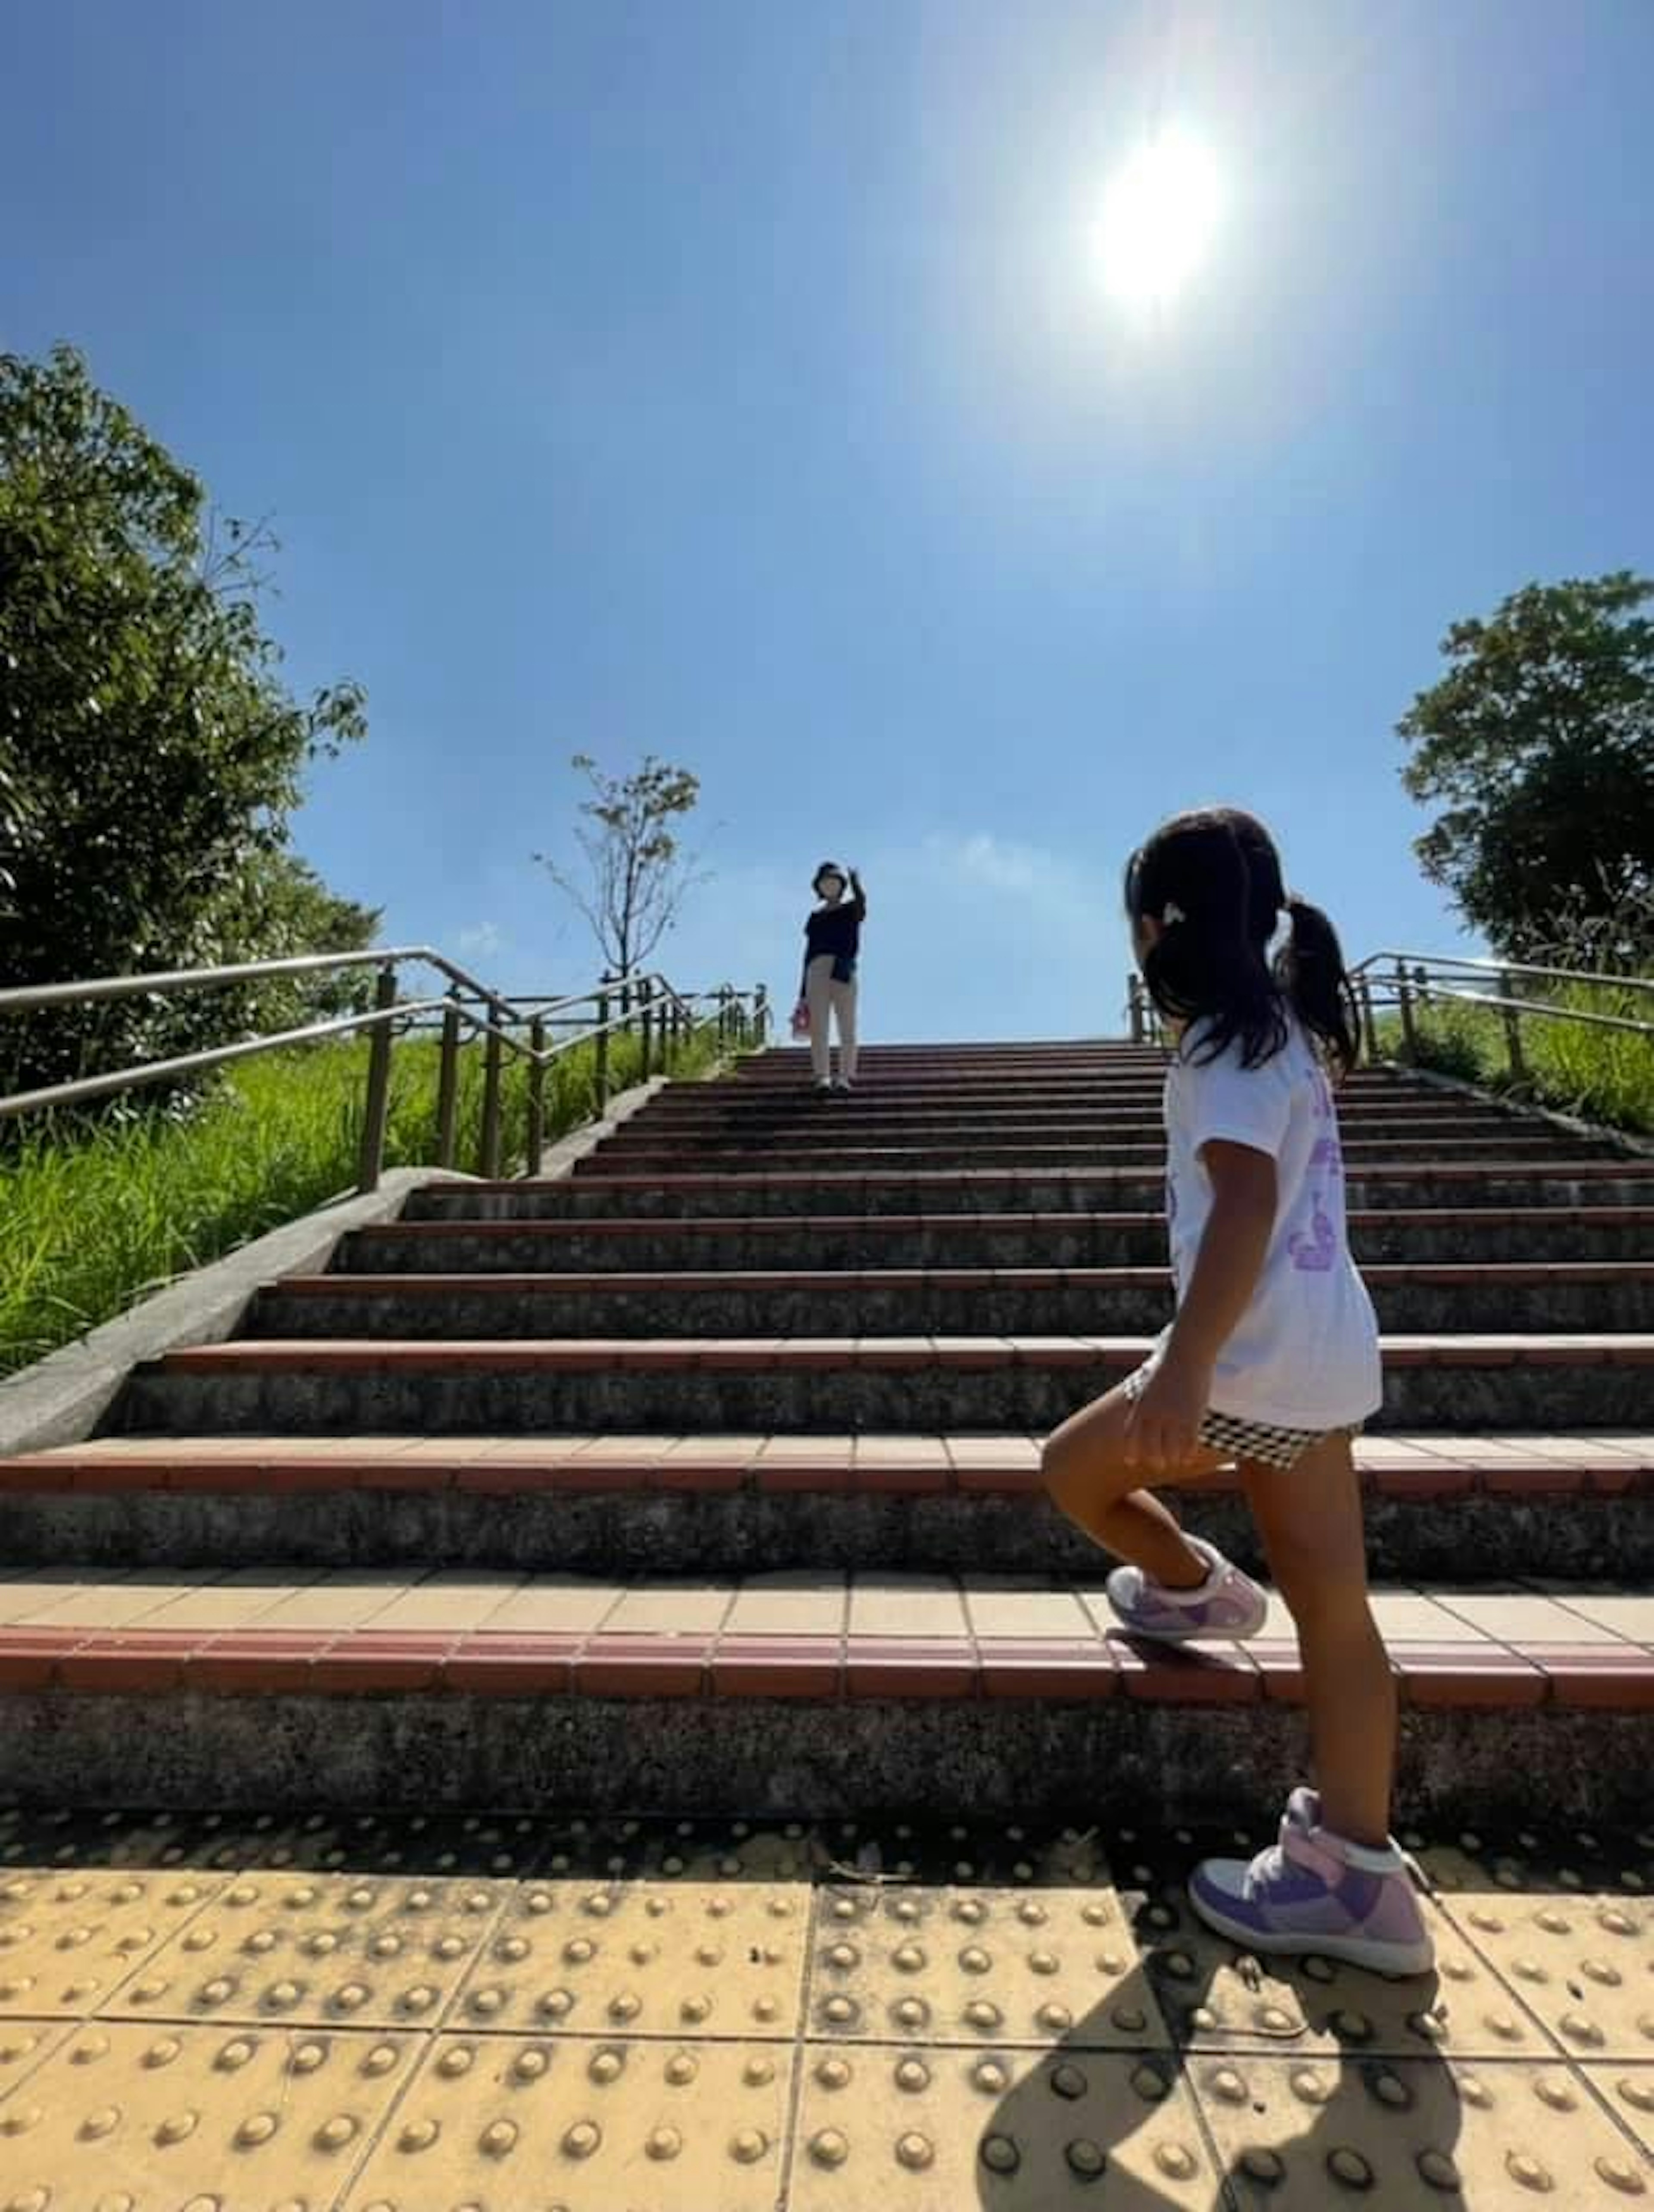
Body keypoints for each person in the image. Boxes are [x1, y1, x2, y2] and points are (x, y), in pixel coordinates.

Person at [1040, 805, 1433, 1977]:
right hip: (1319, 1358)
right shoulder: (1292, 1039)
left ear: (1159, 925)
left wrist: (1185, 1364)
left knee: (1072, 1469)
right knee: (1334, 1607)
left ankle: (1192, 1585)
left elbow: (1249, 1208)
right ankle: (1359, 1874)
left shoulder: (1218, 1049)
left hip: (1246, 1358)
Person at [797, 861, 865, 1094]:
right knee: (819, 1026)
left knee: (847, 1024)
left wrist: (857, 885)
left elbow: (862, 908)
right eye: (825, 882)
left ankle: (845, 1076)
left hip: (843, 966)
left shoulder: (850, 910)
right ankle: (822, 1075)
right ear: (818, 887)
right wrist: (802, 992)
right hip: (816, 969)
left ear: (842, 885)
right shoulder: (815, 917)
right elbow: (808, 953)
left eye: (834, 881)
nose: (830, 885)